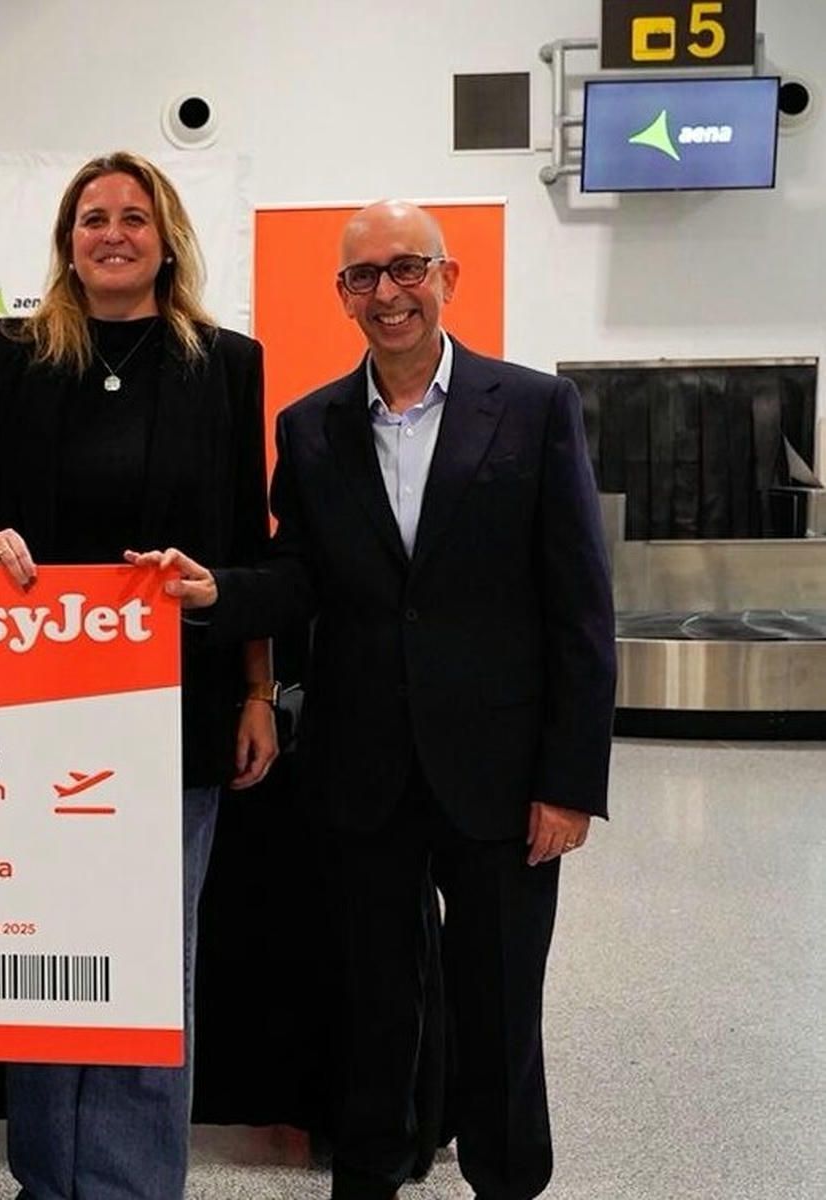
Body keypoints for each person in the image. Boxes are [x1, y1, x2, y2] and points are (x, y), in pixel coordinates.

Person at [140, 200, 616, 1200]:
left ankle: (506, 1180)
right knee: (372, 1011)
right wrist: (218, 591)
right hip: (364, 774)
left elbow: (579, 607)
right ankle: (366, 1180)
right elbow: (299, 577)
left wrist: (568, 783)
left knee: (497, 1014)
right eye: (363, 277)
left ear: (448, 278)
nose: (386, 293)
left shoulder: (531, 407)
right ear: (341, 296)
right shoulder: (309, 428)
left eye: (406, 270)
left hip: (500, 778)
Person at [0, 151, 277, 1200]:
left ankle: (134, 1184)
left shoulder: (225, 363)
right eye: (92, 218)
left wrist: (260, 691)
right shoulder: (10, 354)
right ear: (67, 239)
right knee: (41, 950)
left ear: (165, 235)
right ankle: (47, 1177)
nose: (113, 233)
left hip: (174, 706)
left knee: (145, 960)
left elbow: (242, 544)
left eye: (134, 217)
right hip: (29, 705)